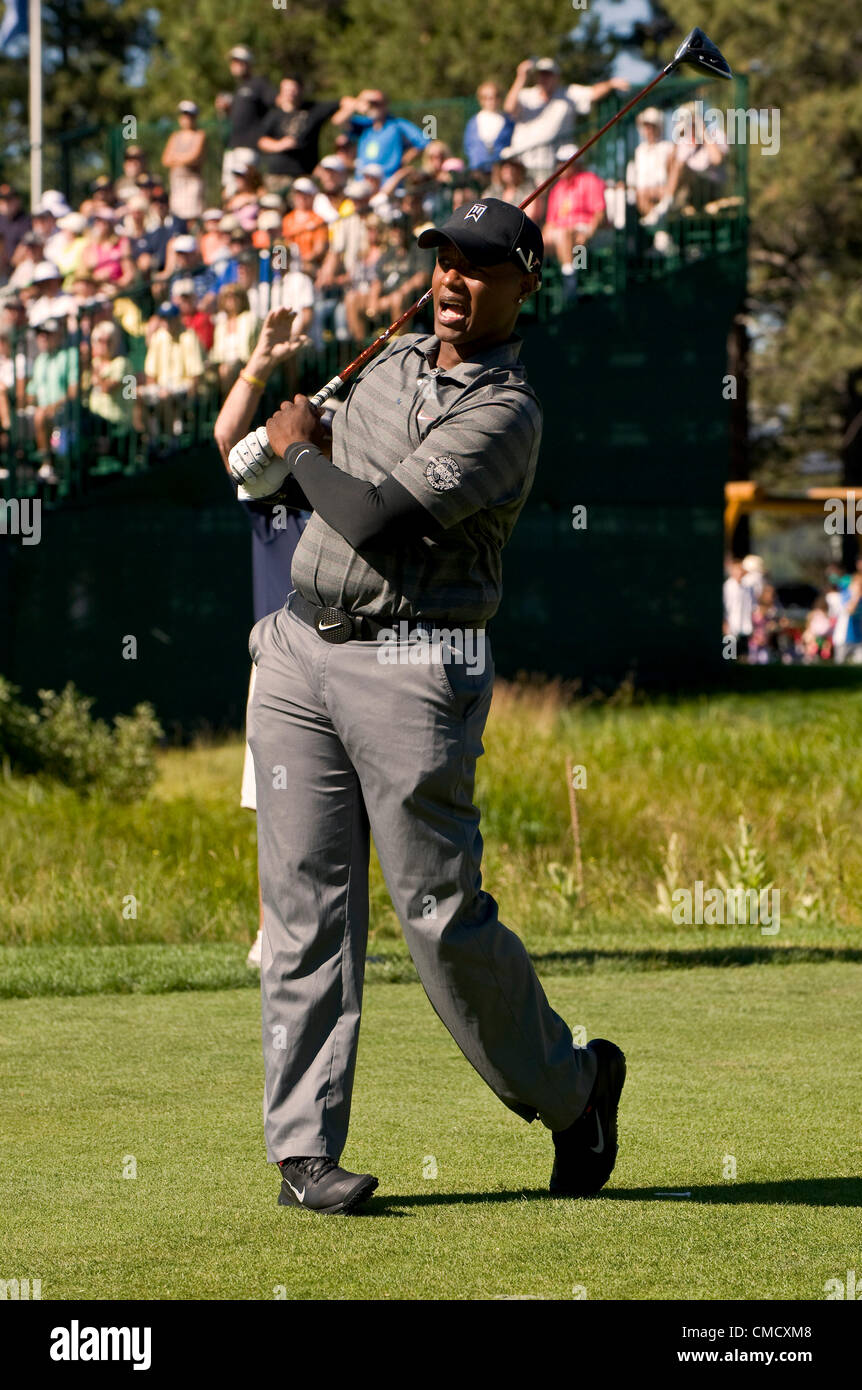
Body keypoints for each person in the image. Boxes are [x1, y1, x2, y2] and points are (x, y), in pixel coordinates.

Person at [229, 196, 625, 1214]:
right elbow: (273, 461)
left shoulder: (505, 413)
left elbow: (371, 515)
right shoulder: (388, 354)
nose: (453, 280)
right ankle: (303, 1154)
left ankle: (574, 1091)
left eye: (480, 267)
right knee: (303, 915)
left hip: (414, 662)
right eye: (444, 261)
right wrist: (276, 430)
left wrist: (303, 446)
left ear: (524, 284)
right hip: (297, 650)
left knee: (439, 916)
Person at [213, 306, 312, 969]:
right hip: (276, 662)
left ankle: (331, 929)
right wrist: (260, 360)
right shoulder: (265, 488)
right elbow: (227, 439)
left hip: (349, 655)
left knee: (349, 810)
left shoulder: (351, 490)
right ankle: (269, 933)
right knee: (275, 808)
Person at [257, 76, 345, 193]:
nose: (291, 93)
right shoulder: (273, 115)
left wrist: (342, 118)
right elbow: (261, 141)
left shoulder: (313, 110)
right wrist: (279, 144)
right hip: (278, 176)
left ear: (301, 90)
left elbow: (343, 103)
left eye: (294, 89)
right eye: (287, 89)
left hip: (304, 174)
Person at [218, 46, 275, 197]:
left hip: (249, 146)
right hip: (233, 147)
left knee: (246, 188)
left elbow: (275, 105)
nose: (235, 65)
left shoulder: (259, 84)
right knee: (229, 190)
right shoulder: (238, 89)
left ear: (248, 63)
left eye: (239, 61)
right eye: (234, 62)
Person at [334, 89, 429, 180]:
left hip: (387, 182)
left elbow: (424, 142)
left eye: (377, 103)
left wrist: (403, 160)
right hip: (363, 182)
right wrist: (358, 102)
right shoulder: (366, 126)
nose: (373, 107)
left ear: (385, 105)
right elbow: (338, 121)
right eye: (371, 104)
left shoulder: (397, 125)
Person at [543, 147, 607, 276]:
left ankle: (571, 277)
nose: (561, 166)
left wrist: (589, 232)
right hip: (561, 233)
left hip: (584, 228)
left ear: (577, 163)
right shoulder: (557, 189)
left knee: (573, 241)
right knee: (538, 241)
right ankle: (567, 276)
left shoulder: (589, 180)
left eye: (565, 162)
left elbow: (599, 213)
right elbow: (550, 222)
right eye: (559, 162)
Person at [161, 101, 207, 223]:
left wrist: (176, 157)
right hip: (177, 182)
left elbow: (194, 157)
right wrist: (183, 158)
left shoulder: (199, 135)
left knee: (192, 217)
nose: (186, 119)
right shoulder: (175, 136)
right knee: (177, 217)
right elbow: (166, 159)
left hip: (192, 181)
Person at [626, 108, 674, 220]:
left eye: (653, 126)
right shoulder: (639, 151)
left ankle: (657, 225)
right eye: (646, 127)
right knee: (640, 196)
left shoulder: (668, 148)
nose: (649, 130)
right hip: (643, 193)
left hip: (663, 191)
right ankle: (658, 225)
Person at [212, 283, 258, 393]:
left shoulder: (250, 318)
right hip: (223, 363)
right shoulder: (221, 324)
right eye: (227, 296)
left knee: (226, 370)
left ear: (242, 298)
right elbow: (217, 353)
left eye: (235, 295)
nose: (231, 299)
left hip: (245, 363)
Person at [463, 81, 514, 172]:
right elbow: (468, 147)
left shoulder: (508, 121)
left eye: (495, 97)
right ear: (481, 100)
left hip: (502, 171)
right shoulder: (473, 122)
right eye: (486, 98)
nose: (491, 101)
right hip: (478, 170)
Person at [723, 559, 753, 659]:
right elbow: (724, 608)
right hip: (731, 628)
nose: (739, 573)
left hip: (745, 628)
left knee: (744, 657)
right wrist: (725, 624)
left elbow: (752, 606)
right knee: (729, 656)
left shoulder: (748, 587)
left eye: (741, 570)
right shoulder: (727, 587)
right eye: (737, 570)